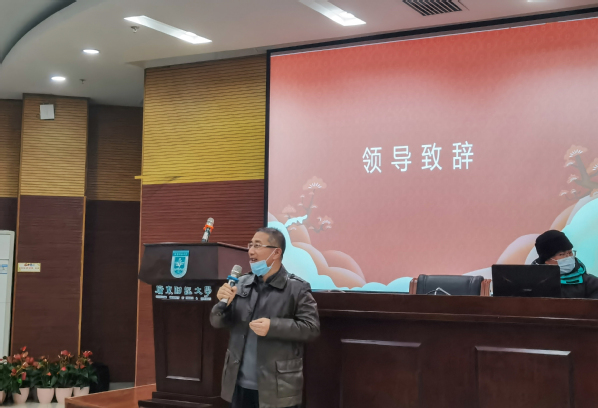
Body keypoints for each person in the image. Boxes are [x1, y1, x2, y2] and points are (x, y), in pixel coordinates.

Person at [210, 227, 320, 408]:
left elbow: (311, 328)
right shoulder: (241, 283)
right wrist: (222, 304)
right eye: (250, 245)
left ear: (276, 252)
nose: (251, 251)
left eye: (258, 245)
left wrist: (273, 326)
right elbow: (216, 322)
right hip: (238, 383)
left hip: (277, 388)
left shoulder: (297, 288)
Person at [531, 230, 598, 299]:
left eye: (570, 253)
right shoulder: (532, 284)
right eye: (562, 254)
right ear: (547, 260)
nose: (568, 257)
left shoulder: (589, 283)